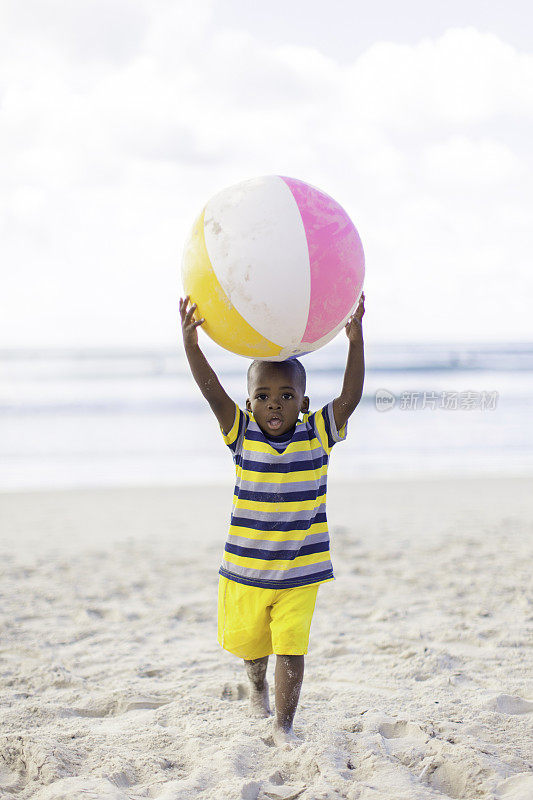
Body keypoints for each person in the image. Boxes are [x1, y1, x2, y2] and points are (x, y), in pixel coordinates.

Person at [179, 292, 365, 749]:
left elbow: (351, 396)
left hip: (301, 572)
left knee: (292, 650)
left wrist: (355, 340)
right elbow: (212, 392)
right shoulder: (240, 433)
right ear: (249, 402)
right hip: (246, 571)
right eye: (263, 396)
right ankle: (256, 685)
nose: (274, 405)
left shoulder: (317, 433)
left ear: (304, 403)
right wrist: (192, 346)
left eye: (286, 396)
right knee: (252, 648)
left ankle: (283, 725)